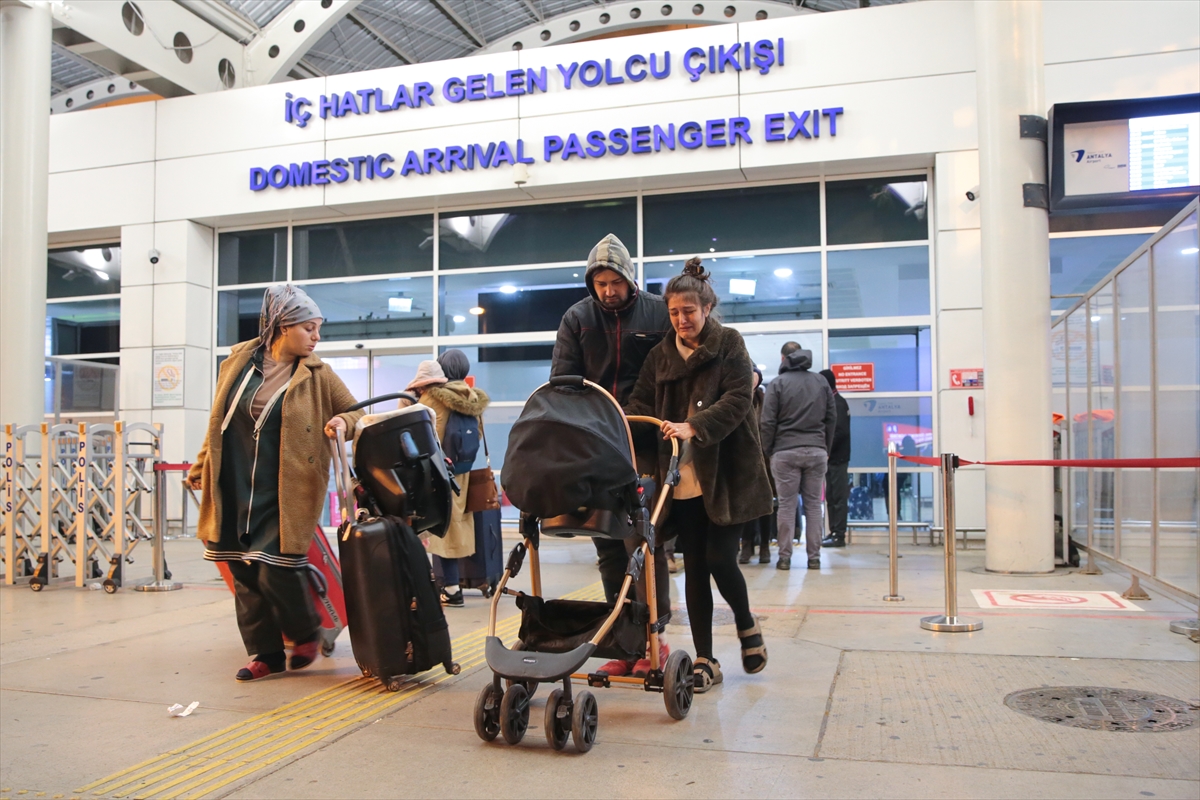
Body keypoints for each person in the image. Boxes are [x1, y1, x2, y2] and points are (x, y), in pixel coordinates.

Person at [188, 285, 363, 682]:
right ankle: (265, 654)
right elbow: (219, 423)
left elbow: (355, 413)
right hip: (233, 481)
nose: (317, 337)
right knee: (242, 571)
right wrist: (202, 465)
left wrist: (342, 424)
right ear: (282, 327)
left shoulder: (318, 374)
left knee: (276, 569)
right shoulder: (237, 363)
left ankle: (305, 633)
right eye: (309, 327)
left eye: (318, 328)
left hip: (286, 488)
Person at [625, 258, 773, 692]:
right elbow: (640, 404)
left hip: (727, 474)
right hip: (680, 478)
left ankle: (747, 624)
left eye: (688, 311)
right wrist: (621, 425)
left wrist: (696, 426)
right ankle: (706, 659)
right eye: (673, 313)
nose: (681, 320)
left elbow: (739, 397)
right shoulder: (660, 355)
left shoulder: (729, 343)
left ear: (707, 307)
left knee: (718, 558)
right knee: (693, 568)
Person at [551, 232, 674, 678]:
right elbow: (562, 381)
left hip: (646, 444)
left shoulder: (659, 313)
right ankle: (623, 639)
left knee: (642, 540)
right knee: (606, 542)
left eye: (614, 282)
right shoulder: (577, 318)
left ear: (629, 278)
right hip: (597, 443)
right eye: (599, 283)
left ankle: (654, 639)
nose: (607, 291)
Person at [760, 343, 836, 571]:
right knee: (813, 506)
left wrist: (769, 450)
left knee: (786, 505)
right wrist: (826, 447)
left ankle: (784, 558)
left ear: (783, 358)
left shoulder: (778, 384)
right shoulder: (820, 382)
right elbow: (831, 418)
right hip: (816, 451)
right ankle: (814, 558)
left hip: (784, 451)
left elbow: (767, 421)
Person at [426, 350, 491, 607]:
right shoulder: (473, 398)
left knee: (439, 527)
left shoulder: (433, 397)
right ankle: (451, 583)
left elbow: (424, 433)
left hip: (437, 472)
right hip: (462, 471)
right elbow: (478, 436)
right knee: (456, 524)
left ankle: (451, 588)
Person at [739, 366, 773, 565]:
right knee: (745, 506)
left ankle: (765, 546)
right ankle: (747, 545)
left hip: (765, 459)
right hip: (742, 459)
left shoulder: (764, 400)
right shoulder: (737, 399)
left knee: (766, 506)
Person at [819, 369, 851, 548]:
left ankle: (839, 534)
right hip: (831, 459)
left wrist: (826, 449)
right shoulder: (832, 402)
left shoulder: (837, 403)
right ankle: (834, 532)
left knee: (838, 497)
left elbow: (839, 432)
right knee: (831, 497)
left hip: (837, 458)